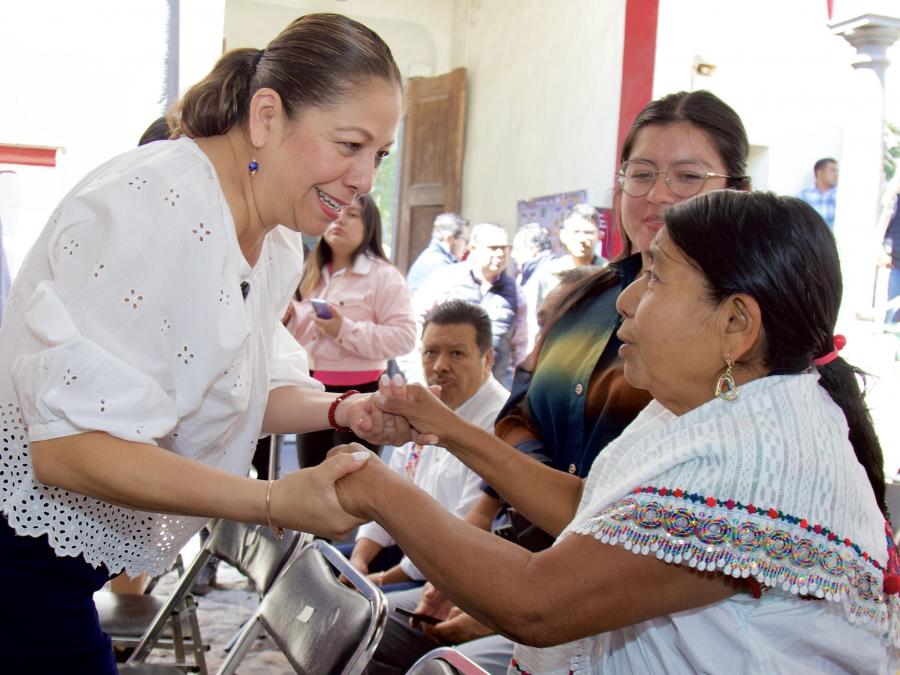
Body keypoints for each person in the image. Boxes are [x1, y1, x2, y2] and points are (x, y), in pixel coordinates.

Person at [0, 13, 410, 672]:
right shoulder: (156, 202)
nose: (364, 178)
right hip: (17, 561)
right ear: (268, 116)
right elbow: (68, 448)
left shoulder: (273, 240)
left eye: (379, 155)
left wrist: (345, 409)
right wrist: (273, 499)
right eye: (350, 144)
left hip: (58, 572)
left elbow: (230, 386)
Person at [342, 189, 898, 673]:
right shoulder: (710, 408)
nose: (626, 301)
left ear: (736, 324)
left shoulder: (759, 459)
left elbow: (537, 601)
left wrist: (378, 488)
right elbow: (596, 510)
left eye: (655, 278)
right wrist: (447, 427)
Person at [363, 89, 754, 674]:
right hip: (532, 554)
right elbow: (523, 418)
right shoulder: (588, 296)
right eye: (641, 173)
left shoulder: (735, 356)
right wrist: (483, 522)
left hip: (619, 602)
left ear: (738, 194)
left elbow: (581, 568)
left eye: (688, 175)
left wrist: (390, 497)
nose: (659, 195)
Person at [345, 300, 508, 593]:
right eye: (431, 352)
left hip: (448, 573)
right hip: (403, 551)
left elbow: (464, 533)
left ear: (487, 359)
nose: (440, 366)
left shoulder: (502, 424)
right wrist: (359, 561)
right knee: (314, 568)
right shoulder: (420, 407)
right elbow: (386, 496)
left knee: (349, 611)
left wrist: (381, 580)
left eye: (457, 354)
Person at [285, 194, 415, 468]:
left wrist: (344, 329)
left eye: (352, 214)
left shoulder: (384, 276)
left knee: (353, 481)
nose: (340, 218)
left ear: (370, 226)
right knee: (311, 474)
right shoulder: (312, 271)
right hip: (312, 389)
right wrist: (289, 318)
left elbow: (404, 337)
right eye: (336, 210)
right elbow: (303, 333)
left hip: (362, 392)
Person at [406, 222, 527, 388]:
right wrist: (417, 371)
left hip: (494, 390)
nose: (499, 253)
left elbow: (520, 345)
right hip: (444, 386)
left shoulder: (515, 291)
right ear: (473, 248)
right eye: (492, 247)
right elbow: (413, 319)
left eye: (504, 248)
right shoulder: (446, 278)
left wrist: (516, 386)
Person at [527, 203, 608, 350]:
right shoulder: (549, 273)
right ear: (563, 236)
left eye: (588, 232)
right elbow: (536, 320)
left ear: (600, 235)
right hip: (554, 350)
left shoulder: (608, 274)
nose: (582, 239)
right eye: (576, 232)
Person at [406, 212, 470, 293]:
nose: (467, 247)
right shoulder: (438, 262)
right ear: (449, 238)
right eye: (466, 241)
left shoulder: (432, 257)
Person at [798, 157, 838, 229]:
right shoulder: (804, 196)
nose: (836, 174)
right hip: (814, 238)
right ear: (819, 172)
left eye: (836, 171)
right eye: (832, 171)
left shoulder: (839, 195)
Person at [510, 222, 553, 288]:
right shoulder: (531, 274)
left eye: (517, 249)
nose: (512, 255)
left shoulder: (543, 276)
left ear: (533, 249)